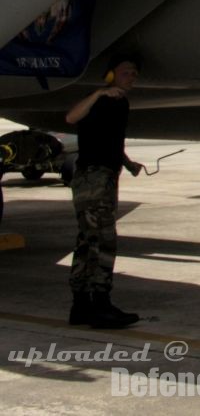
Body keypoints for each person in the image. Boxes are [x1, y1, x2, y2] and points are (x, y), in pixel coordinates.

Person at [64, 58, 146, 328]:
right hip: (93, 178)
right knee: (103, 240)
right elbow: (71, 117)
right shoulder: (100, 98)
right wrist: (98, 92)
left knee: (88, 241)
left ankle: (81, 306)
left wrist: (127, 162)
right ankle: (100, 304)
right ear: (110, 75)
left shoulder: (121, 102)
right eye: (126, 72)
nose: (131, 76)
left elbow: (107, 139)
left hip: (105, 176)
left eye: (134, 73)